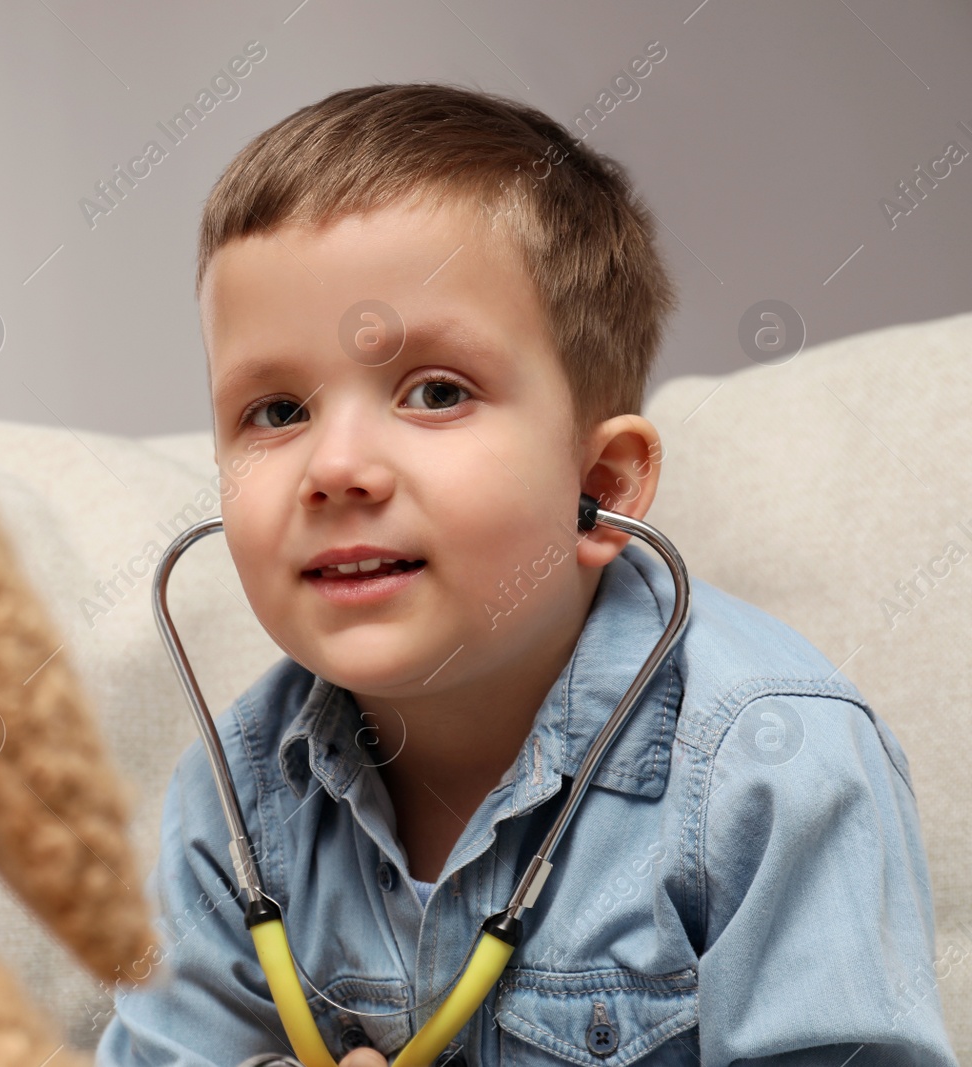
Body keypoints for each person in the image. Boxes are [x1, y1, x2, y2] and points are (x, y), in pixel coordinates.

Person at [93, 83, 956, 1067]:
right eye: (276, 411)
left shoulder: (775, 764)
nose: (332, 468)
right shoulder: (235, 793)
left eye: (433, 391)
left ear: (596, 485)